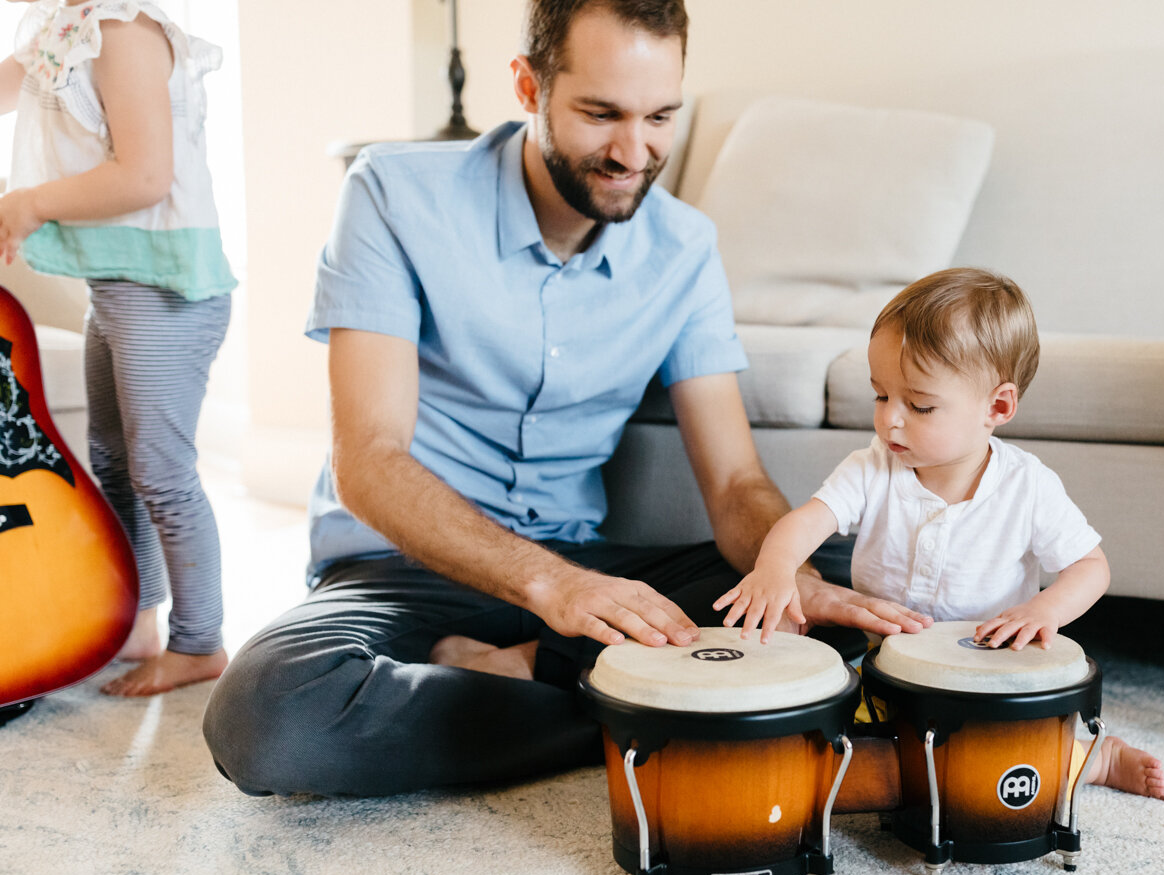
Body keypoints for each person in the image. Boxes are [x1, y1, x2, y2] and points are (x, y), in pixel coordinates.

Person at [201, 0, 925, 798]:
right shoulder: (395, 196)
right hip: (405, 568)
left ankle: (525, 675)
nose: (633, 150)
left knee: (842, 589)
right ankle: (653, 714)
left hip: (586, 571)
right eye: (600, 113)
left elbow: (735, 487)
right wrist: (553, 588)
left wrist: (787, 576)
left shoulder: (684, 249)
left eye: (660, 117)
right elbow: (369, 462)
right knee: (268, 715)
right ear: (527, 86)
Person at [715, 268, 1164, 801]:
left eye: (919, 405)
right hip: (885, 666)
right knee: (836, 749)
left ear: (997, 408)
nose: (889, 422)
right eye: (880, 396)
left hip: (987, 677)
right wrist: (774, 570)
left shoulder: (1027, 486)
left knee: (992, 763)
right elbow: (805, 522)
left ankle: (1093, 757)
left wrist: (1044, 610)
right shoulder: (873, 467)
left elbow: (1091, 568)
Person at [0, 1, 237, 697]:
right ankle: (139, 618)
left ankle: (201, 644)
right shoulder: (64, 27)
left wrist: (29, 202)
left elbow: (144, 176)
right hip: (119, 286)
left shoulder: (125, 32)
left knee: (162, 472)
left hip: (165, 291)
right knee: (111, 457)